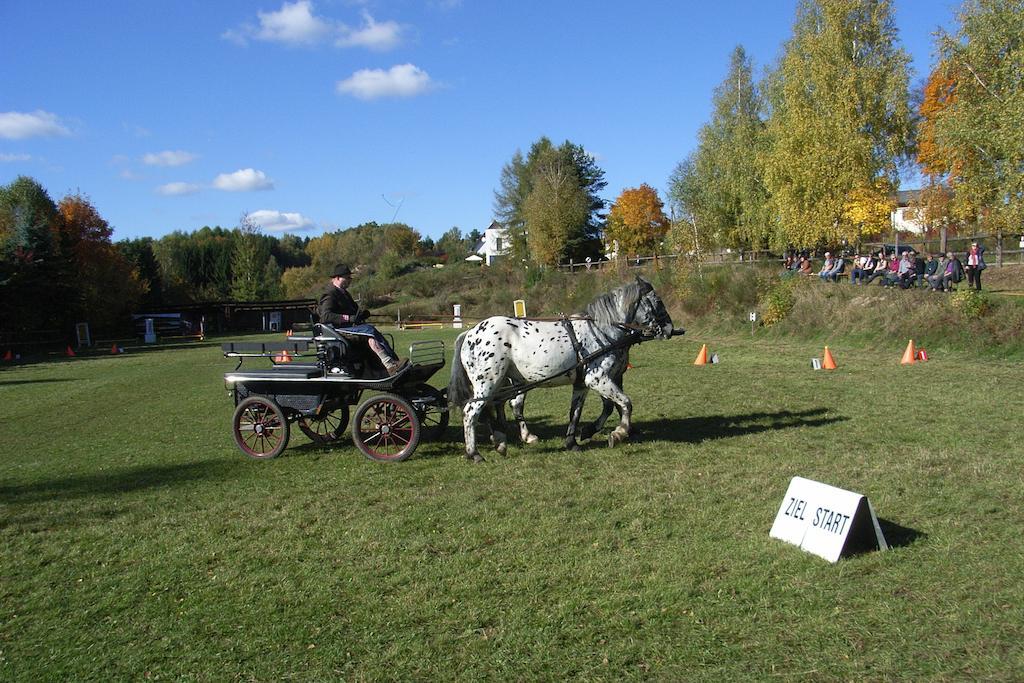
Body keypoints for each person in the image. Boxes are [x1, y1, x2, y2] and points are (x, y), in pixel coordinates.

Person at [318, 263, 407, 375]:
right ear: (337, 278)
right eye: (347, 277)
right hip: (337, 330)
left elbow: (354, 311)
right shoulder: (330, 294)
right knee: (369, 330)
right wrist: (349, 318)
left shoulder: (344, 293)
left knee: (371, 337)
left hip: (348, 327)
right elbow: (326, 316)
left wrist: (361, 315)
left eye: (350, 278)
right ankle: (392, 363)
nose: (350, 280)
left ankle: (389, 364)